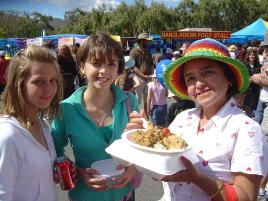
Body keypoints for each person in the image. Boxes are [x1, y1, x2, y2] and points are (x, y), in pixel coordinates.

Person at [126, 38, 267, 201]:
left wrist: (197, 178)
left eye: (208, 72)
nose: (199, 83)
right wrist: (143, 137)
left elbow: (247, 197)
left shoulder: (247, 129)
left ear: (229, 77)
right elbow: (161, 167)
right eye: (190, 78)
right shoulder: (182, 118)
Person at [51, 33, 139, 201]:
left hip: (126, 195)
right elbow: (54, 150)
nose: (104, 71)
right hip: (86, 196)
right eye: (96, 63)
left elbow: (139, 146)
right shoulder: (66, 109)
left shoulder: (129, 101)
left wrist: (133, 167)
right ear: (82, 66)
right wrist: (78, 172)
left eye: (111, 64)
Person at [0, 45, 63, 201]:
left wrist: (53, 172)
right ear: (19, 83)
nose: (49, 89)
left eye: (52, 80)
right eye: (39, 81)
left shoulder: (41, 124)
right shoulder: (7, 136)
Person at [130, 32, 154, 117]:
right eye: (146, 41)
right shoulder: (134, 52)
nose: (148, 42)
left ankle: (146, 117)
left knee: (147, 100)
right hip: (139, 79)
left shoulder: (148, 51)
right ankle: (134, 117)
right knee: (137, 100)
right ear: (141, 41)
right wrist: (144, 76)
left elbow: (151, 64)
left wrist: (151, 74)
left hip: (148, 79)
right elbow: (133, 66)